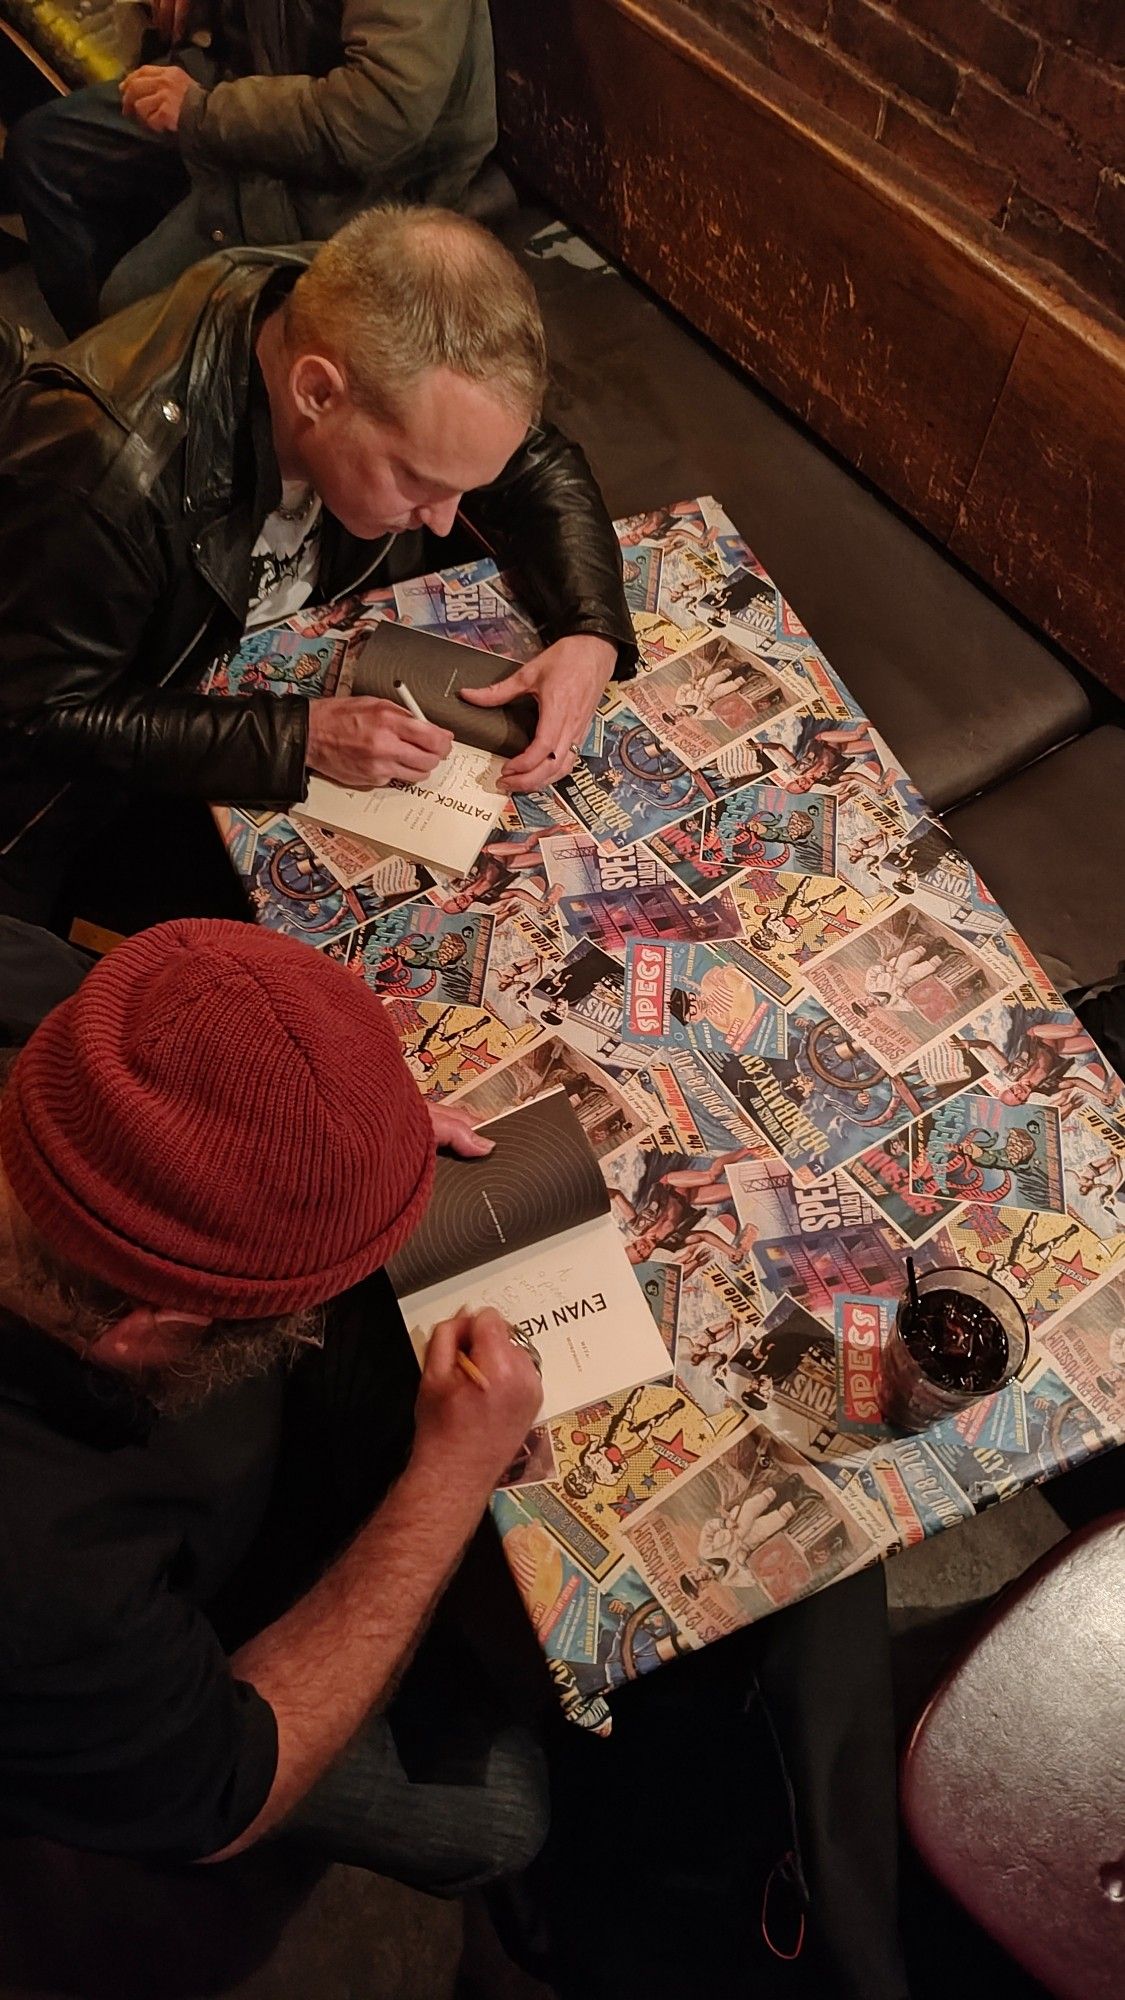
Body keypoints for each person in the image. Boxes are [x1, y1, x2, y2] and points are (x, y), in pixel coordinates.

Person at [0, 913, 548, 1882]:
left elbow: (178, 1041)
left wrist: (330, 1149)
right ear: (150, 1327)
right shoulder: (45, 1568)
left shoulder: (34, 995)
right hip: (123, 1712)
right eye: (287, 1307)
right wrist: (450, 1477)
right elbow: (218, 1796)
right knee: (500, 1821)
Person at [0, 205, 635, 927]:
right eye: (418, 480)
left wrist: (591, 630)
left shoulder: (367, 325)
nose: (443, 518)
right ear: (317, 392)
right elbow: (44, 716)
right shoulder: (100, 470)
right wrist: (299, 738)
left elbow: (534, 458)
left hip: (279, 682)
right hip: (115, 803)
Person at [5, 0, 498, 339]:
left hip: (368, 179)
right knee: (44, 156)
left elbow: (383, 111)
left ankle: (155, 400)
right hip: (260, 78)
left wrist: (202, 114)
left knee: (131, 313)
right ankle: (126, 400)